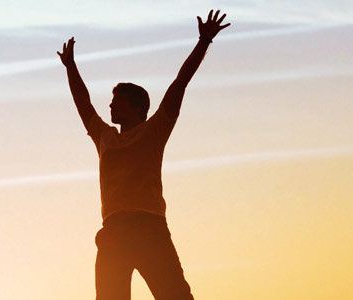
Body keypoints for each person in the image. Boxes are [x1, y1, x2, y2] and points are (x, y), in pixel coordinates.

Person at [56, 10, 231, 300]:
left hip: (149, 229)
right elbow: (83, 103)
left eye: (118, 102)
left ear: (137, 107)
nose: (111, 107)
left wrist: (203, 42)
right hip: (113, 232)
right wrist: (70, 67)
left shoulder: (154, 130)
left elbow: (179, 84)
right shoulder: (105, 137)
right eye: (111, 101)